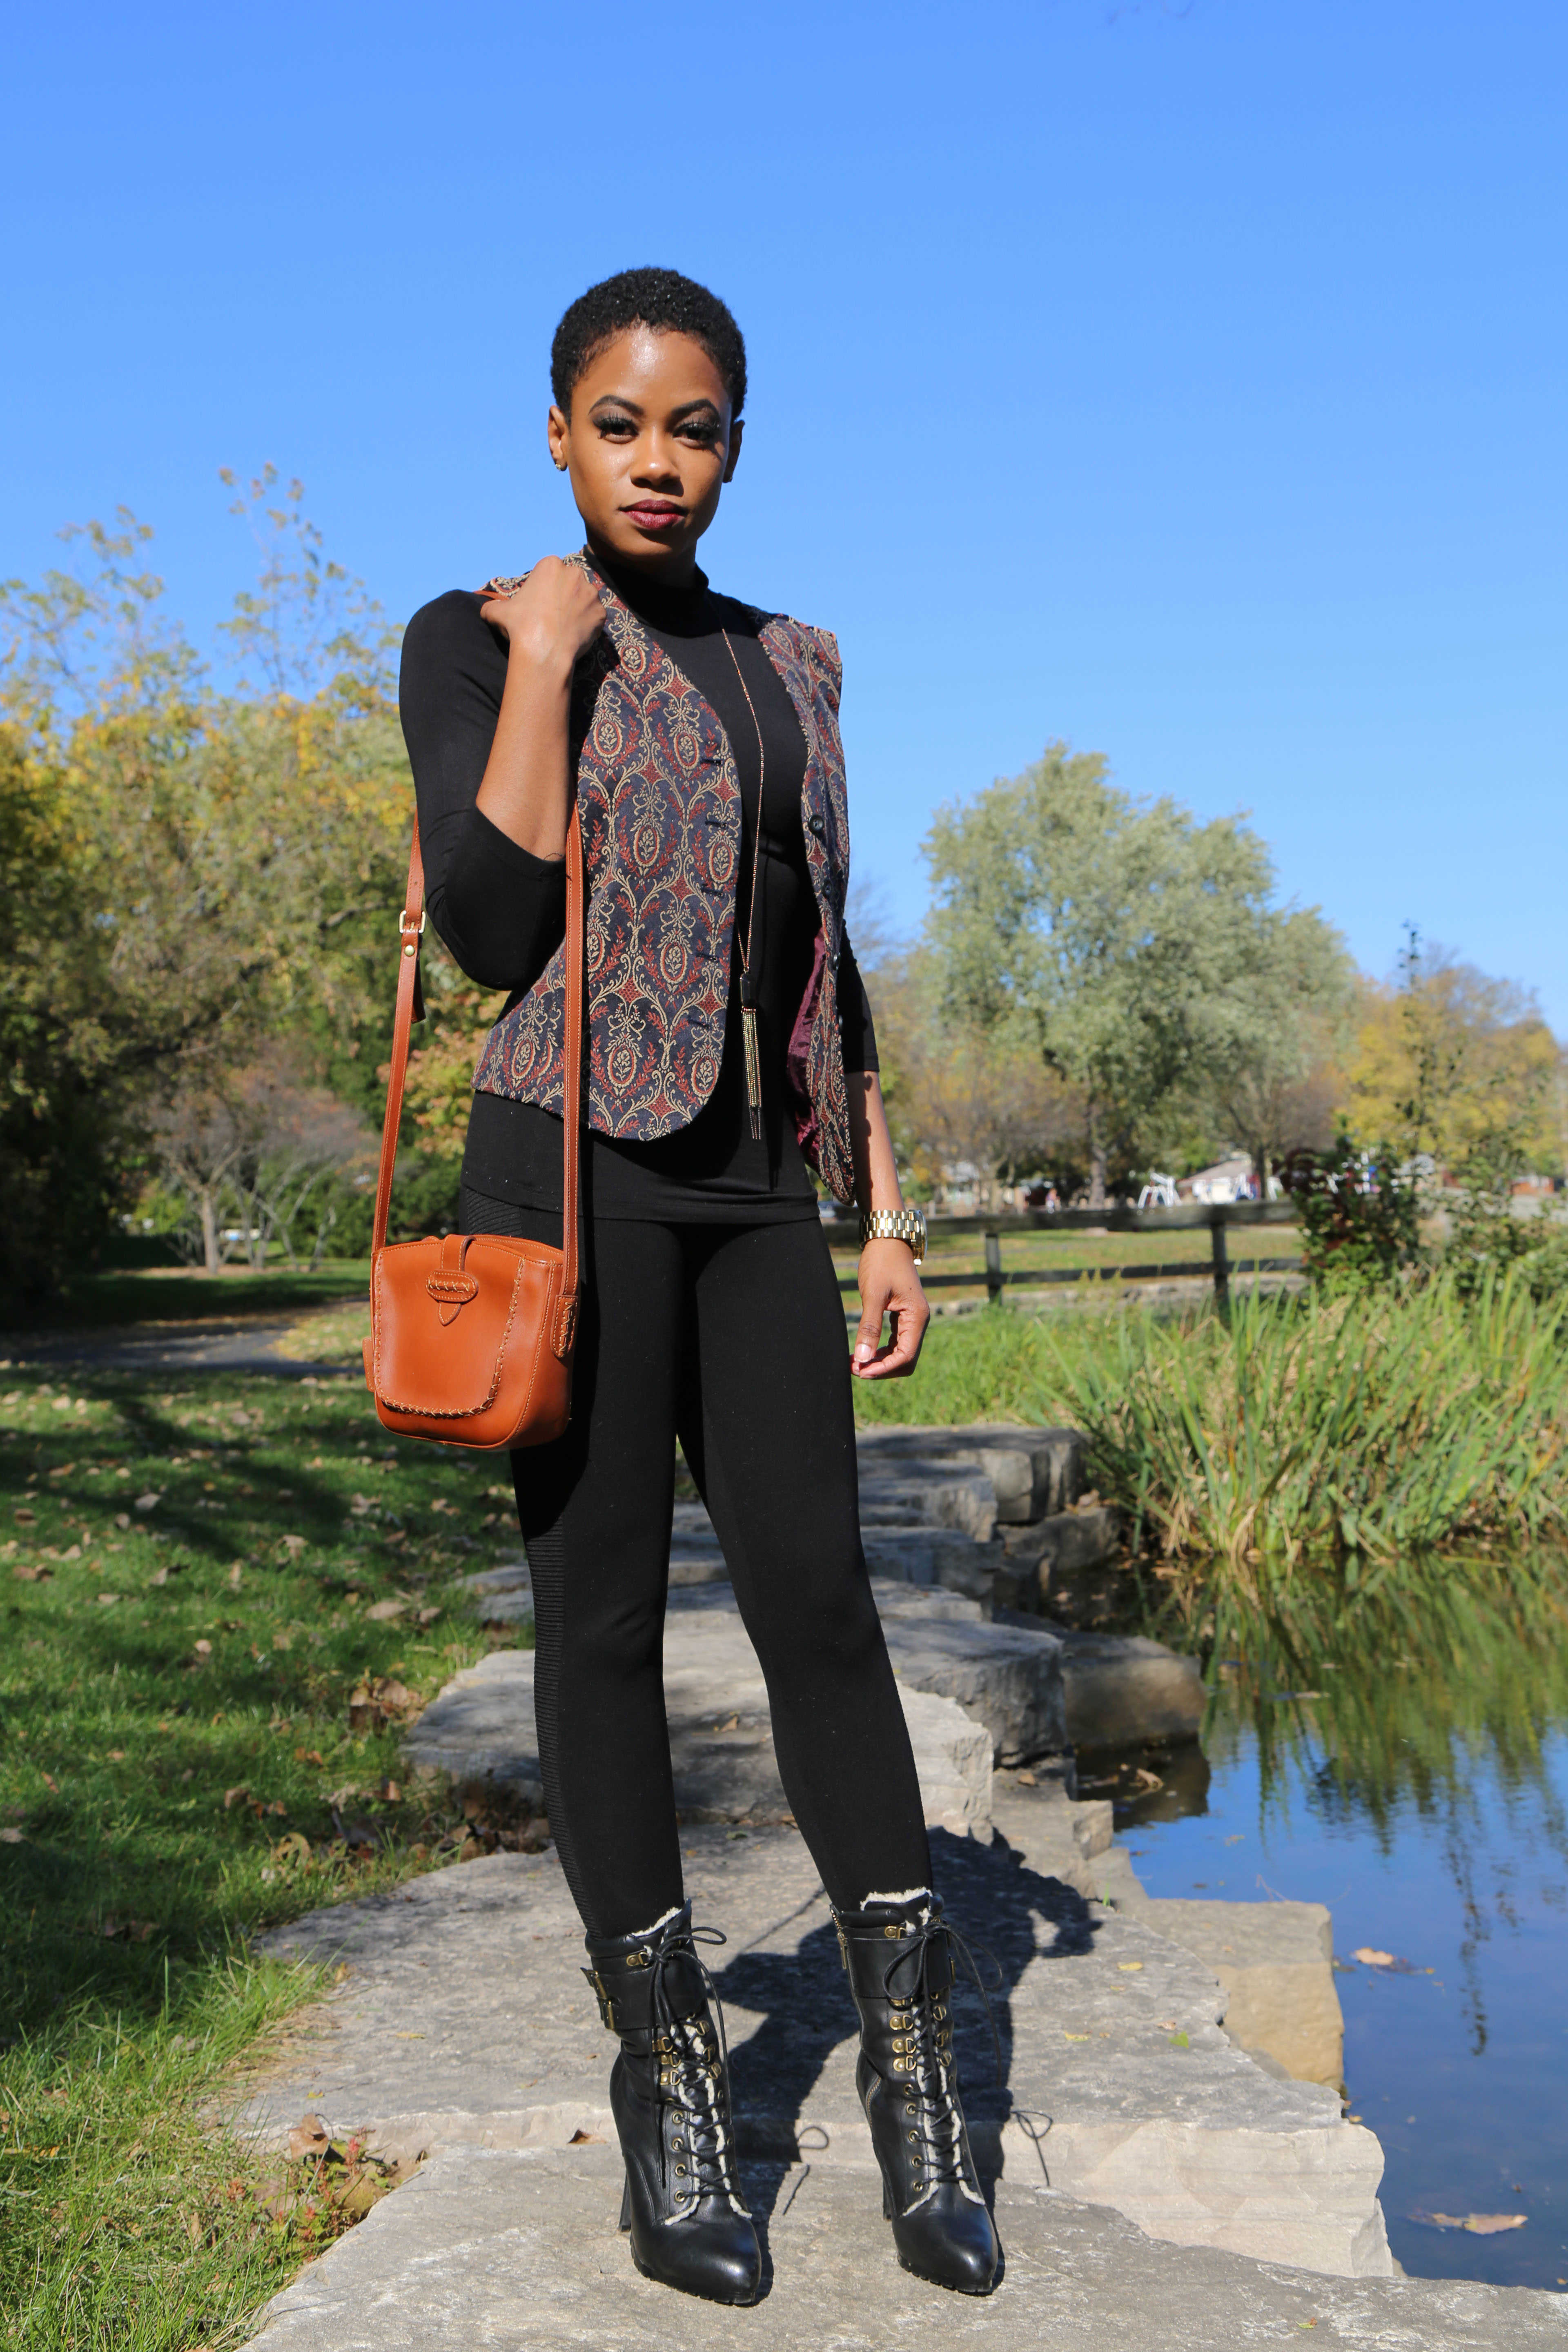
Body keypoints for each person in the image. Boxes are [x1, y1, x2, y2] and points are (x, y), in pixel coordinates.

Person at [399, 268, 1000, 2306]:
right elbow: (487, 930)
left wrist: (888, 1203)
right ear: (558, 434)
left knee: (823, 1605)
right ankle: (673, 2104)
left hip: (753, 1185)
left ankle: (924, 2094)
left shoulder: (800, 663)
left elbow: (828, 950)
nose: (663, 462)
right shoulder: (478, 636)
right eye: (622, 424)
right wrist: (552, 663)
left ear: (738, 439)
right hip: (562, 1177)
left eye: (700, 426)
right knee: (603, 1626)